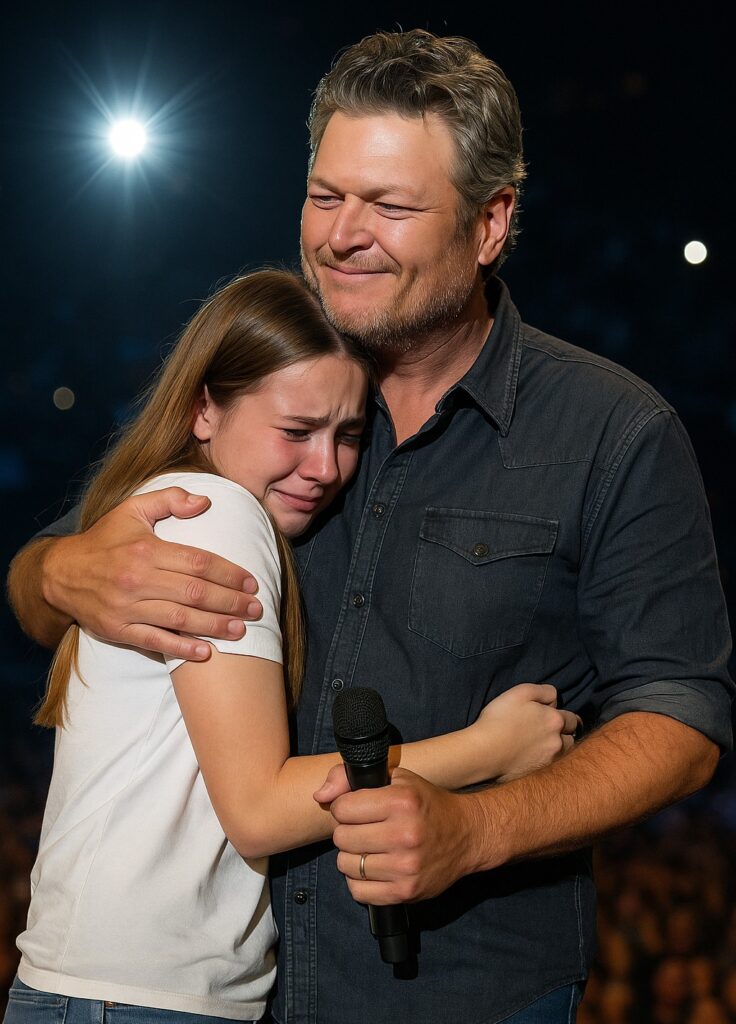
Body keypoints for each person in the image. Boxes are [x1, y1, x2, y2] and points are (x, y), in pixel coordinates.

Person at [8, 28, 733, 1024]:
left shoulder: (613, 430)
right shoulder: (268, 388)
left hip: (466, 992)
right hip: (234, 996)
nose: (342, 233)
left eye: (390, 205)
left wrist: (477, 828)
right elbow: (57, 593)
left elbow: (681, 718)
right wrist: (56, 571)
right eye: (325, 194)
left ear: (490, 223)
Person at [4, 269, 578, 1023]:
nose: (326, 467)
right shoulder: (218, 516)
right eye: (296, 431)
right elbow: (259, 810)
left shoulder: (166, 505)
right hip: (137, 1000)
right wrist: (489, 749)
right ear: (203, 408)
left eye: (348, 436)